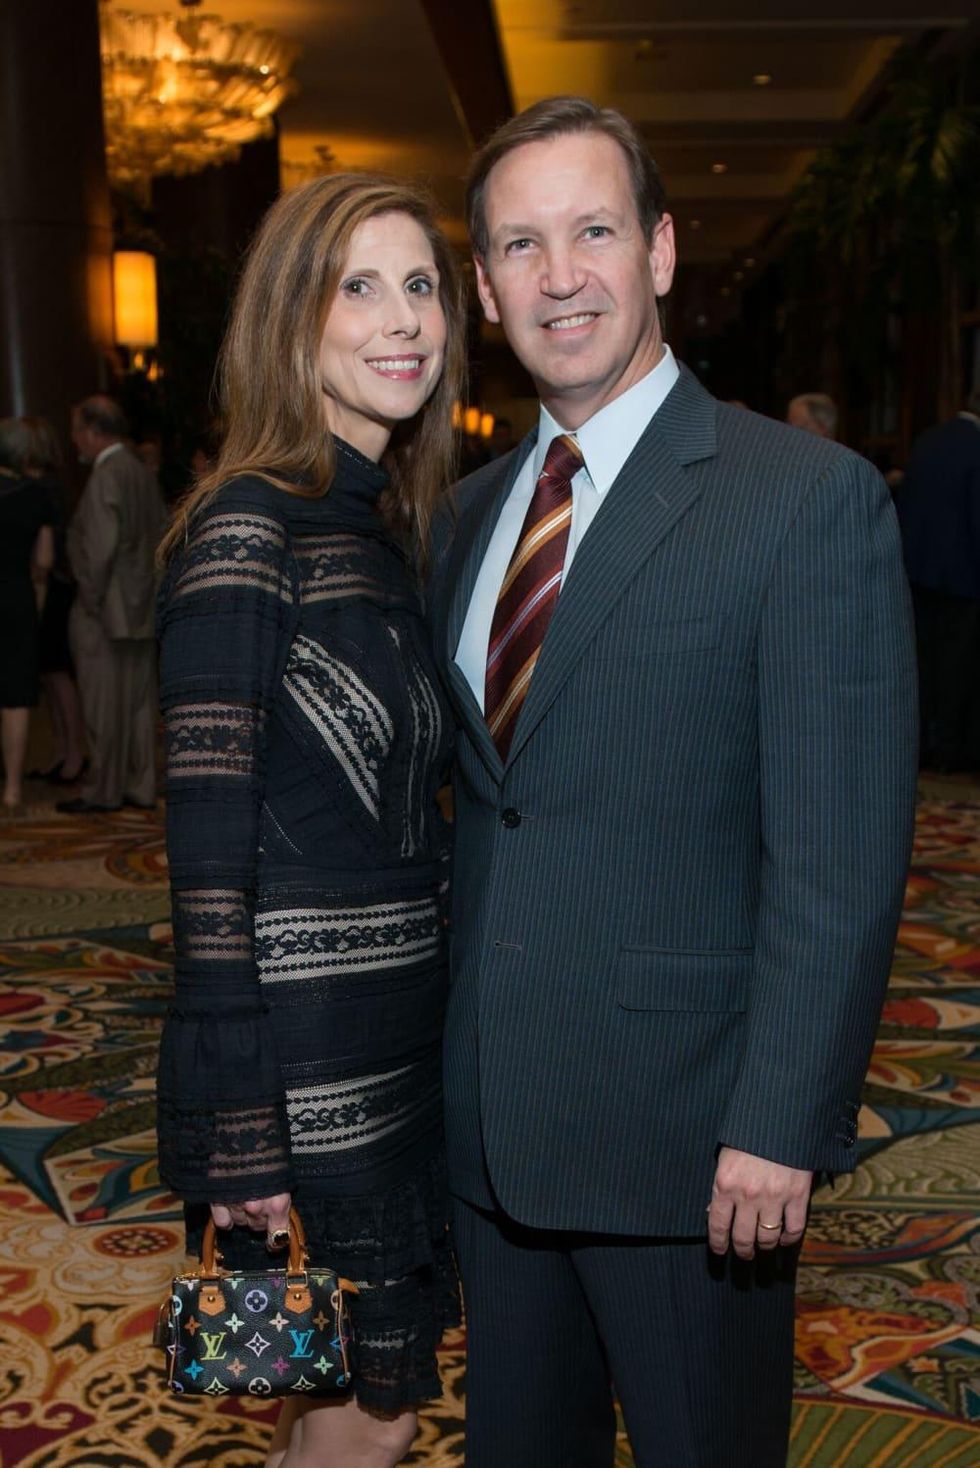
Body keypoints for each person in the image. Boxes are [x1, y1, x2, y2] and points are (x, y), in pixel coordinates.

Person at [429, 96, 918, 1468]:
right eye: (521, 247)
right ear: (484, 287)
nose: (560, 274)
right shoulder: (469, 516)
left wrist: (780, 1119)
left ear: (659, 250)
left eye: (593, 231)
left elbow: (838, 856)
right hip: (492, 1128)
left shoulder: (800, 498)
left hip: (694, 1149)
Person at [155, 173, 466, 1468]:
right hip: (307, 1071)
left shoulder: (382, 530)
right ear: (292, 319)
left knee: (359, 1407)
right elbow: (207, 861)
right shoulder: (246, 528)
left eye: (422, 285)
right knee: (371, 1412)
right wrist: (239, 1129)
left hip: (403, 1049)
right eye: (360, 285)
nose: (404, 320)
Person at [59, 396, 167, 814]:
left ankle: (102, 791)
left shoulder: (106, 474)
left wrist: (89, 599)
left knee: (103, 706)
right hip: (140, 608)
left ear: (92, 431)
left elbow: (99, 550)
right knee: (139, 706)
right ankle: (140, 785)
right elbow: (160, 533)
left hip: (107, 611)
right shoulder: (140, 470)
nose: (73, 441)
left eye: (75, 430)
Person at [895, 388, 980, 771]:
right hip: (965, 578)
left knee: (924, 662)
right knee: (957, 668)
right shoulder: (976, 447)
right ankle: (948, 749)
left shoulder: (929, 439)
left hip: (917, 570)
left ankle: (922, 745)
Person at [19, 417, 88, 786]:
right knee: (50, 674)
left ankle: (74, 754)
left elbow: (55, 548)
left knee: (59, 675)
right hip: (51, 586)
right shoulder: (42, 486)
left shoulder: (46, 488)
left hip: (57, 587)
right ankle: (64, 751)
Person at [0, 419, 55, 814]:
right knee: (16, 697)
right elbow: (45, 560)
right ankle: (13, 789)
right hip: (17, 597)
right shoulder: (37, 496)